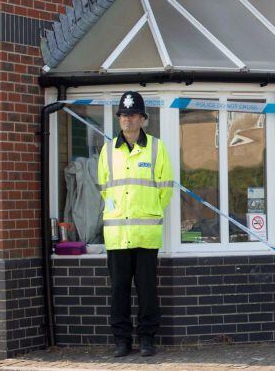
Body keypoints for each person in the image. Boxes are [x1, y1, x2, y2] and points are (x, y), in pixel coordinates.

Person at [98, 91, 173, 357]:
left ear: (143, 118)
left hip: (145, 232)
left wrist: (150, 211)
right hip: (117, 233)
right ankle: (121, 341)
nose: (127, 120)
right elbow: (105, 189)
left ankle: (147, 339)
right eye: (123, 115)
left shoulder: (156, 147)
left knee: (146, 288)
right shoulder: (108, 150)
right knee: (118, 289)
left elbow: (165, 189)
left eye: (132, 115)